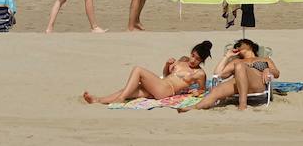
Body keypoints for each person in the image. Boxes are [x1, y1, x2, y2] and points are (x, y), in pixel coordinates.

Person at [82, 41, 213, 104]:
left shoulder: (199, 73)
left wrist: (198, 92)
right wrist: (167, 64)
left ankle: (120, 99)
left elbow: (202, 89)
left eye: (197, 59)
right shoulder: (183, 60)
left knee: (138, 69)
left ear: (202, 60)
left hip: (166, 91)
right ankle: (98, 100)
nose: (193, 60)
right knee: (130, 90)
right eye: (193, 55)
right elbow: (167, 74)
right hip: (160, 84)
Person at [178, 39, 278, 112]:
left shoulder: (264, 59)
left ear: (249, 45)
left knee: (239, 65)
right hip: (239, 84)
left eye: (239, 44)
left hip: (257, 82)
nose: (237, 46)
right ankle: (196, 107)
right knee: (215, 91)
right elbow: (218, 74)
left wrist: (268, 69)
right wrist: (227, 56)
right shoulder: (237, 60)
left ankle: (242, 105)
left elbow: (277, 73)